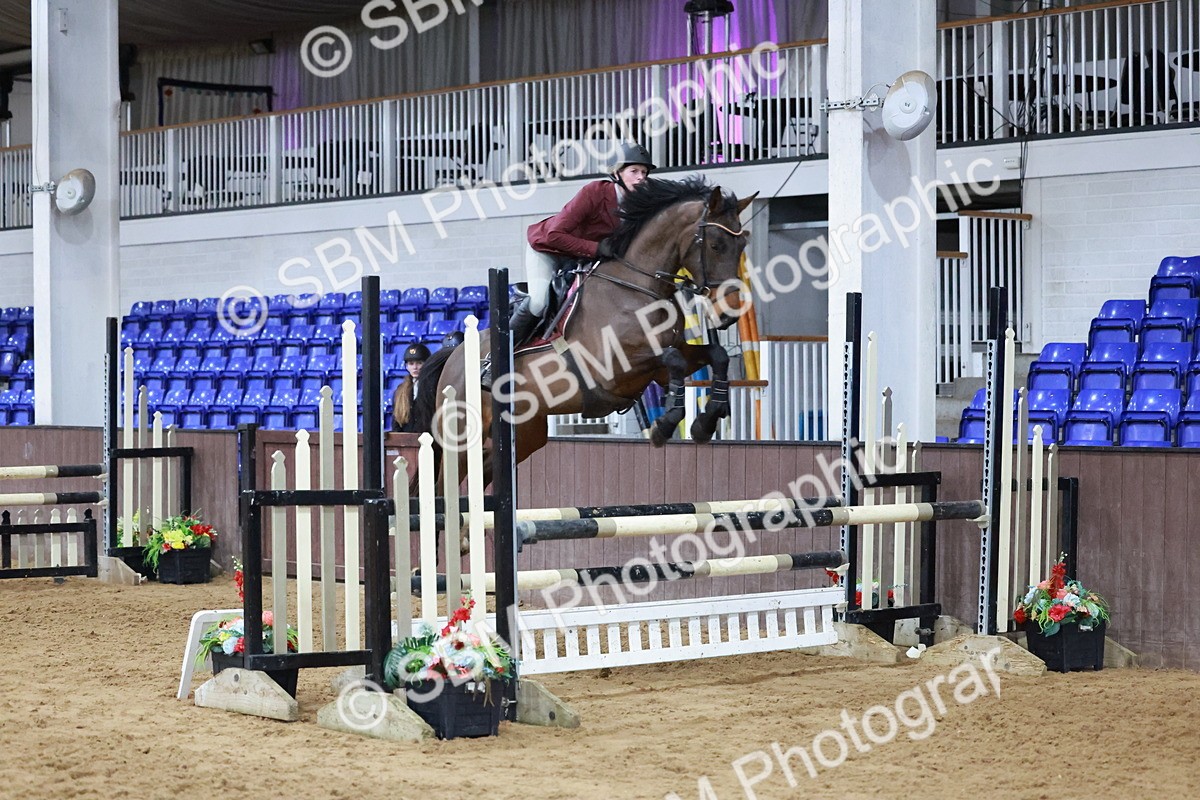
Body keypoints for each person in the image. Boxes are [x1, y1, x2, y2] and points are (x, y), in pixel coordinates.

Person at [514, 141, 656, 347]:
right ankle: (497, 356)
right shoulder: (595, 192)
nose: (641, 177)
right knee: (538, 302)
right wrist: (596, 248)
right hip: (548, 250)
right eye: (634, 171)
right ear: (617, 173)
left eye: (644, 172)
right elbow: (555, 235)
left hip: (580, 260)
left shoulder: (639, 206)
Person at [391, 342, 431, 433]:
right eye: (411, 363)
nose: (415, 367)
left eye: (419, 363)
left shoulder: (432, 388)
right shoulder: (400, 390)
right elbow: (396, 421)